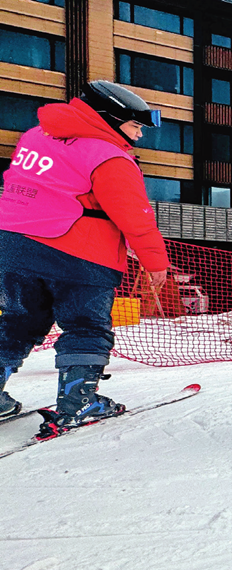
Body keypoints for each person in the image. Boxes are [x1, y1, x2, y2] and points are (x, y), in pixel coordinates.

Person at [0, 81, 169, 433]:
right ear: (110, 119)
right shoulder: (109, 157)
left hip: (14, 247)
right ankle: (78, 402)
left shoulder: (35, 138)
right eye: (135, 126)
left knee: (18, 322)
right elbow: (135, 216)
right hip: (79, 255)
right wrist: (155, 261)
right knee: (85, 326)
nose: (139, 135)